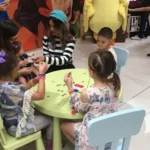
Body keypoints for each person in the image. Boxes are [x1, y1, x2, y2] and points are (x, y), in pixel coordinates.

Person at [61, 51, 121, 150]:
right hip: (110, 135)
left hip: (92, 139)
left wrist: (70, 87)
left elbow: (78, 108)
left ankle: (82, 147)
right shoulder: (116, 85)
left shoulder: (87, 93)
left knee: (63, 125)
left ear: (91, 72)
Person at [0, 50, 53, 150]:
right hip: (16, 127)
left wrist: (34, 81)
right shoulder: (10, 89)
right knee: (51, 119)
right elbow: (40, 95)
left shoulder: (4, 85)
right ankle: (49, 145)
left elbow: (21, 89)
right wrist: (41, 75)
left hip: (8, 121)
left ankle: (42, 129)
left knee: (39, 110)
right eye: (17, 68)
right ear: (11, 71)